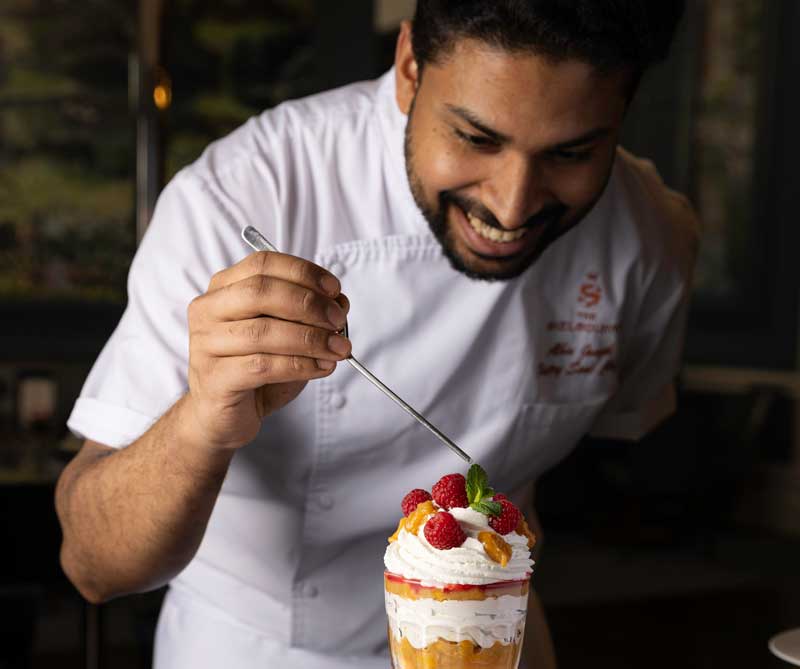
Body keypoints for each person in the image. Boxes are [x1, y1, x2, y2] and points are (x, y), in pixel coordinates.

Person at [55, 1, 696, 667]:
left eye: (571, 153)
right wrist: (200, 420)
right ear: (410, 65)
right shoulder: (247, 193)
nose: (512, 205)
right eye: (477, 139)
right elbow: (92, 564)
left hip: (495, 642)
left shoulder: (651, 239)